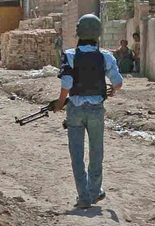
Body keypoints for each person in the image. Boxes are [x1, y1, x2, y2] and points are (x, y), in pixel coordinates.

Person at [52, 14, 123, 209]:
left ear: (78, 33)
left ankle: (83, 195)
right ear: (98, 34)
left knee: (76, 153)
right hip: (96, 109)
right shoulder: (106, 56)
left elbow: (67, 83)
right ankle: (94, 191)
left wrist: (59, 103)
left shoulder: (70, 55)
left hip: (74, 108)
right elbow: (118, 83)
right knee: (96, 151)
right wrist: (110, 90)